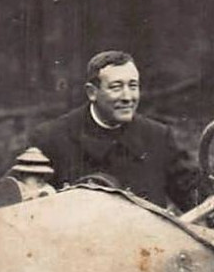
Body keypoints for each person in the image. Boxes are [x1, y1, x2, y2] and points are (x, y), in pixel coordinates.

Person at [18, 50, 202, 211]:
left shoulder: (157, 137)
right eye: (116, 87)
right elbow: (16, 207)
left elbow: (198, 200)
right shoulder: (50, 138)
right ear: (92, 92)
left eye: (133, 86)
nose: (127, 97)